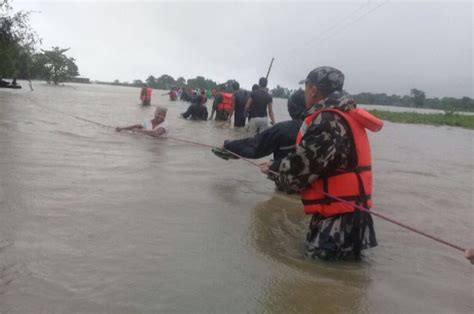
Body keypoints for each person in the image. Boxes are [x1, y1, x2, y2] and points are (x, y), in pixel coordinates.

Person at [259, 66, 383, 261]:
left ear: (314, 90)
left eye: (306, 88)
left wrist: (274, 168)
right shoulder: (345, 114)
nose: (305, 93)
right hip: (351, 216)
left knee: (319, 280)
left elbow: (300, 170)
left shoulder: (327, 120)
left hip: (338, 223)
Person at [213, 90, 306, 191]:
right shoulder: (319, 128)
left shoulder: (282, 130)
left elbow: (255, 146)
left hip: (288, 186)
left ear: (290, 108)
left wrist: (228, 145)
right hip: (311, 188)